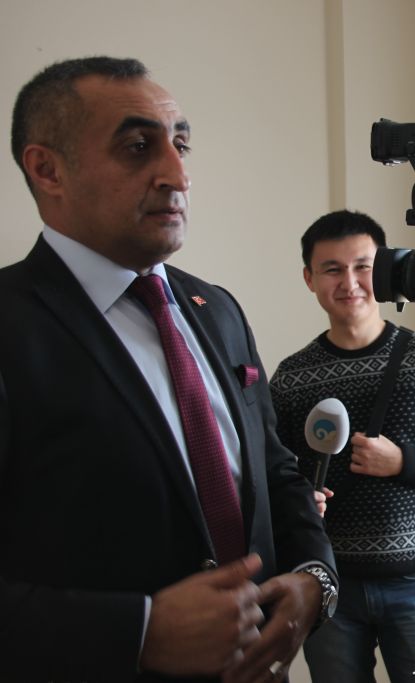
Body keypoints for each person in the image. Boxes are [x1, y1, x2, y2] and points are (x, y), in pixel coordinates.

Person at [0, 57, 338, 682]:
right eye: (137, 147)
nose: (178, 175)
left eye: (180, 145)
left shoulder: (217, 309)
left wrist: (316, 579)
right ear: (47, 169)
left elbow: (275, 468)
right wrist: (138, 632)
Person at [269, 209, 415, 683]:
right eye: (332, 269)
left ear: (385, 273)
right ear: (309, 279)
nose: (349, 282)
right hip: (330, 582)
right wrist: (298, 500)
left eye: (363, 267)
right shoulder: (291, 377)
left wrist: (404, 462)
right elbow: (275, 472)